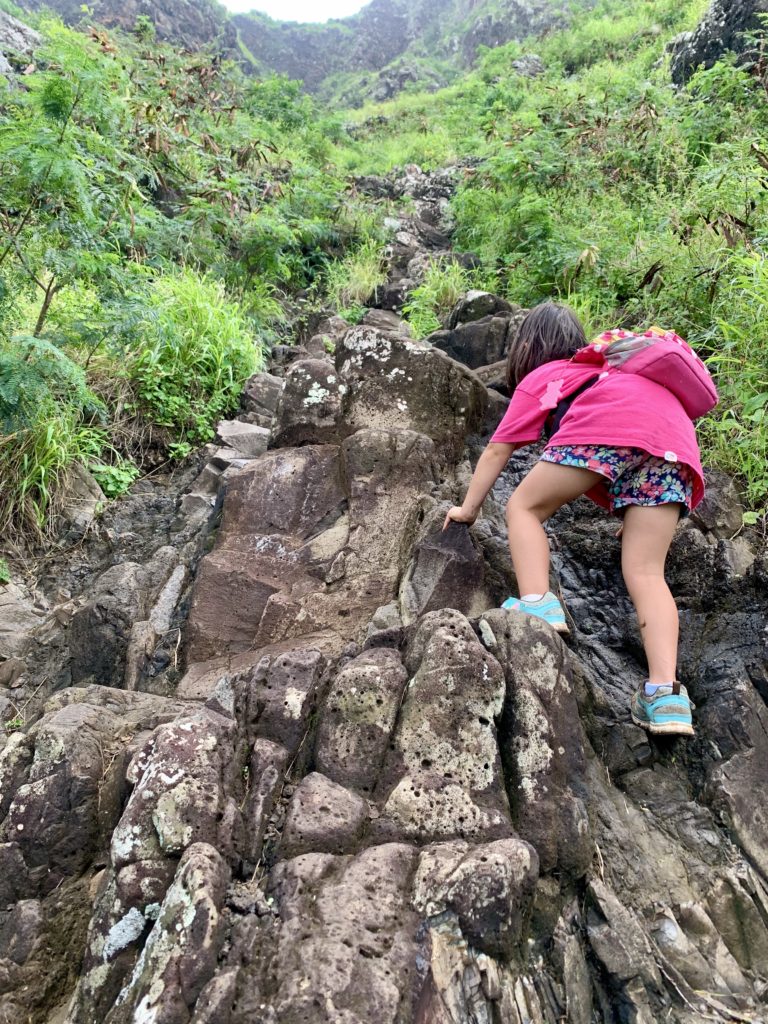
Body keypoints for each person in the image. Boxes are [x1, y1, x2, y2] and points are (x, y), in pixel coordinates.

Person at [443, 301, 711, 737]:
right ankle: (666, 696)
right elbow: (639, 443)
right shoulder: (614, 373)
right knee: (646, 571)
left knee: (523, 507)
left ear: (527, 346)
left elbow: (497, 449)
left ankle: (537, 602)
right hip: (676, 446)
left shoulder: (546, 376)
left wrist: (468, 508)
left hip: (610, 429)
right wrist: (634, 515)